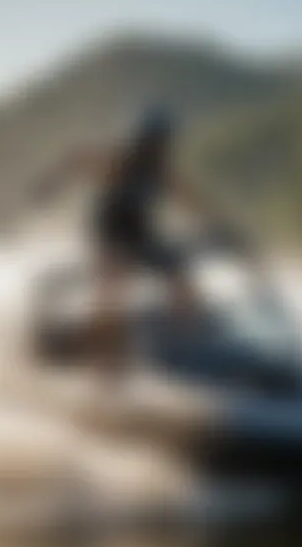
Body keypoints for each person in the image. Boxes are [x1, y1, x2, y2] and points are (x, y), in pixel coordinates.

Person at [33, 105, 255, 382]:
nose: (160, 148)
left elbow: (196, 202)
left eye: (163, 143)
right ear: (141, 140)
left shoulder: (161, 173)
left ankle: (188, 344)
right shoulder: (118, 162)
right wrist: (48, 185)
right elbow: (77, 158)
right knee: (113, 285)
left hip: (141, 234)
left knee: (181, 277)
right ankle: (103, 360)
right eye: (155, 142)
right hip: (110, 233)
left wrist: (227, 228)